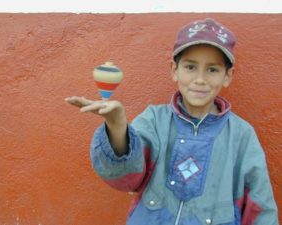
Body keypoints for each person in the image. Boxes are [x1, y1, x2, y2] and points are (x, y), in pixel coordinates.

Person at [65, 18, 279, 225]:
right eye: (190, 67)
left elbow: (260, 205)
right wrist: (117, 126)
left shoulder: (241, 135)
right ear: (174, 70)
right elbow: (124, 179)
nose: (200, 79)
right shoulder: (154, 120)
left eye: (212, 69)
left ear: (227, 76)